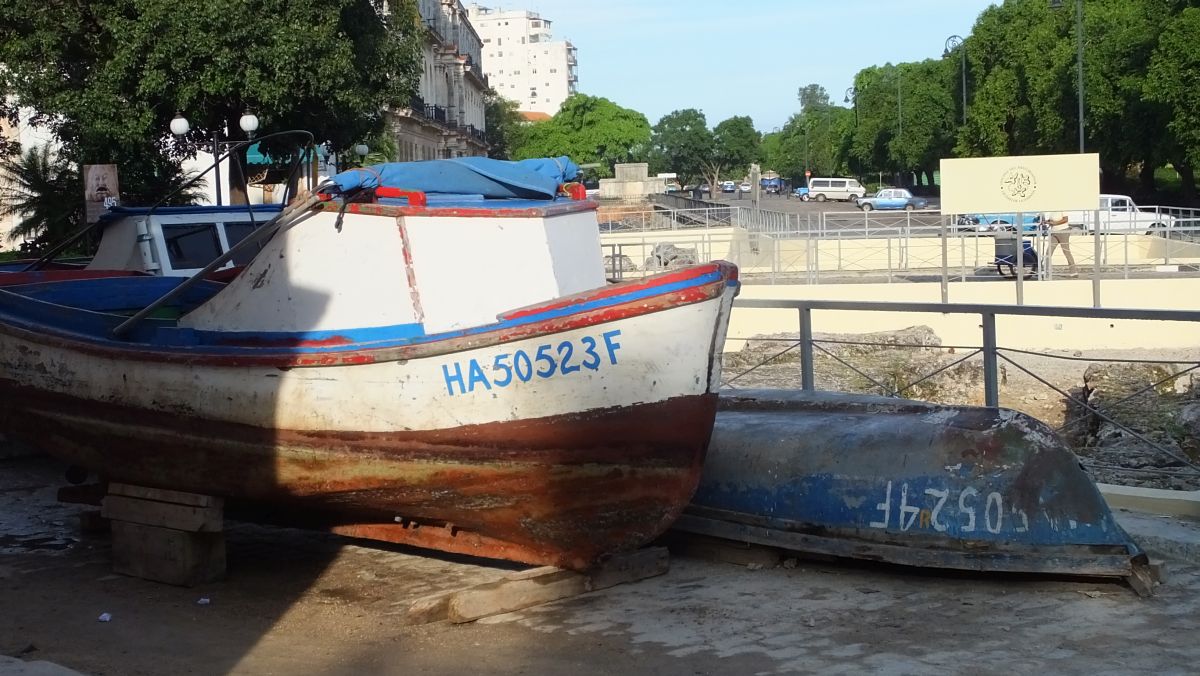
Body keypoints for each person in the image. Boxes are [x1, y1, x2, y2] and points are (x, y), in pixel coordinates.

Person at [1043, 210, 1078, 277]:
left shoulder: (1062, 209)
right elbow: (1051, 220)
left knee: (1066, 252)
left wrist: (1055, 223)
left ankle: (1074, 272)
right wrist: (1046, 222)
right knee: (1048, 252)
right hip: (1054, 232)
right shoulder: (1052, 210)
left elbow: (1065, 219)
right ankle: (1046, 272)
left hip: (1063, 231)